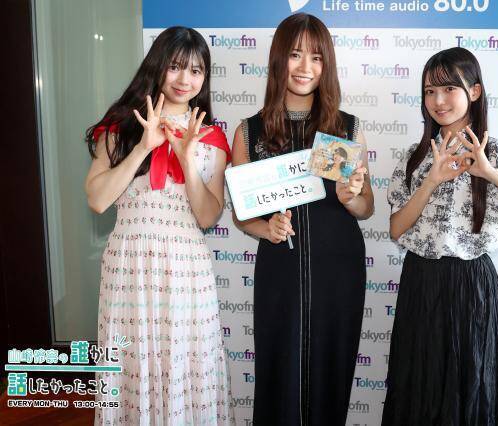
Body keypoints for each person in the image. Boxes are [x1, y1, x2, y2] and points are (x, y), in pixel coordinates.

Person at [383, 47, 498, 425]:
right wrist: (431, 181)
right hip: (420, 283)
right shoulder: (415, 157)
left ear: (475, 92)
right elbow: (397, 228)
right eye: (430, 91)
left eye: (449, 88)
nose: (438, 100)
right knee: (420, 388)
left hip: (472, 287)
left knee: (473, 390)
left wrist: (488, 172)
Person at [85, 26, 234, 425]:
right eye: (176, 66)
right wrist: (142, 148)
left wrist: (187, 158)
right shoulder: (121, 127)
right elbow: (98, 200)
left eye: (196, 71)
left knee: (186, 364)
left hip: (186, 270)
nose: (185, 79)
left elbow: (207, 216)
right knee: (131, 363)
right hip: (130, 268)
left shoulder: (212, 138)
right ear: (158, 66)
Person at [231, 13, 374, 426]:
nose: (305, 67)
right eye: (295, 55)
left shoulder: (343, 128)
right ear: (279, 59)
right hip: (279, 270)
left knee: (332, 372)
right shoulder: (251, 131)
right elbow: (242, 215)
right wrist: (267, 228)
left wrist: (351, 198)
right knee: (279, 373)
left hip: (338, 270)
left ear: (326, 65)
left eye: (316, 57)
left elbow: (367, 206)